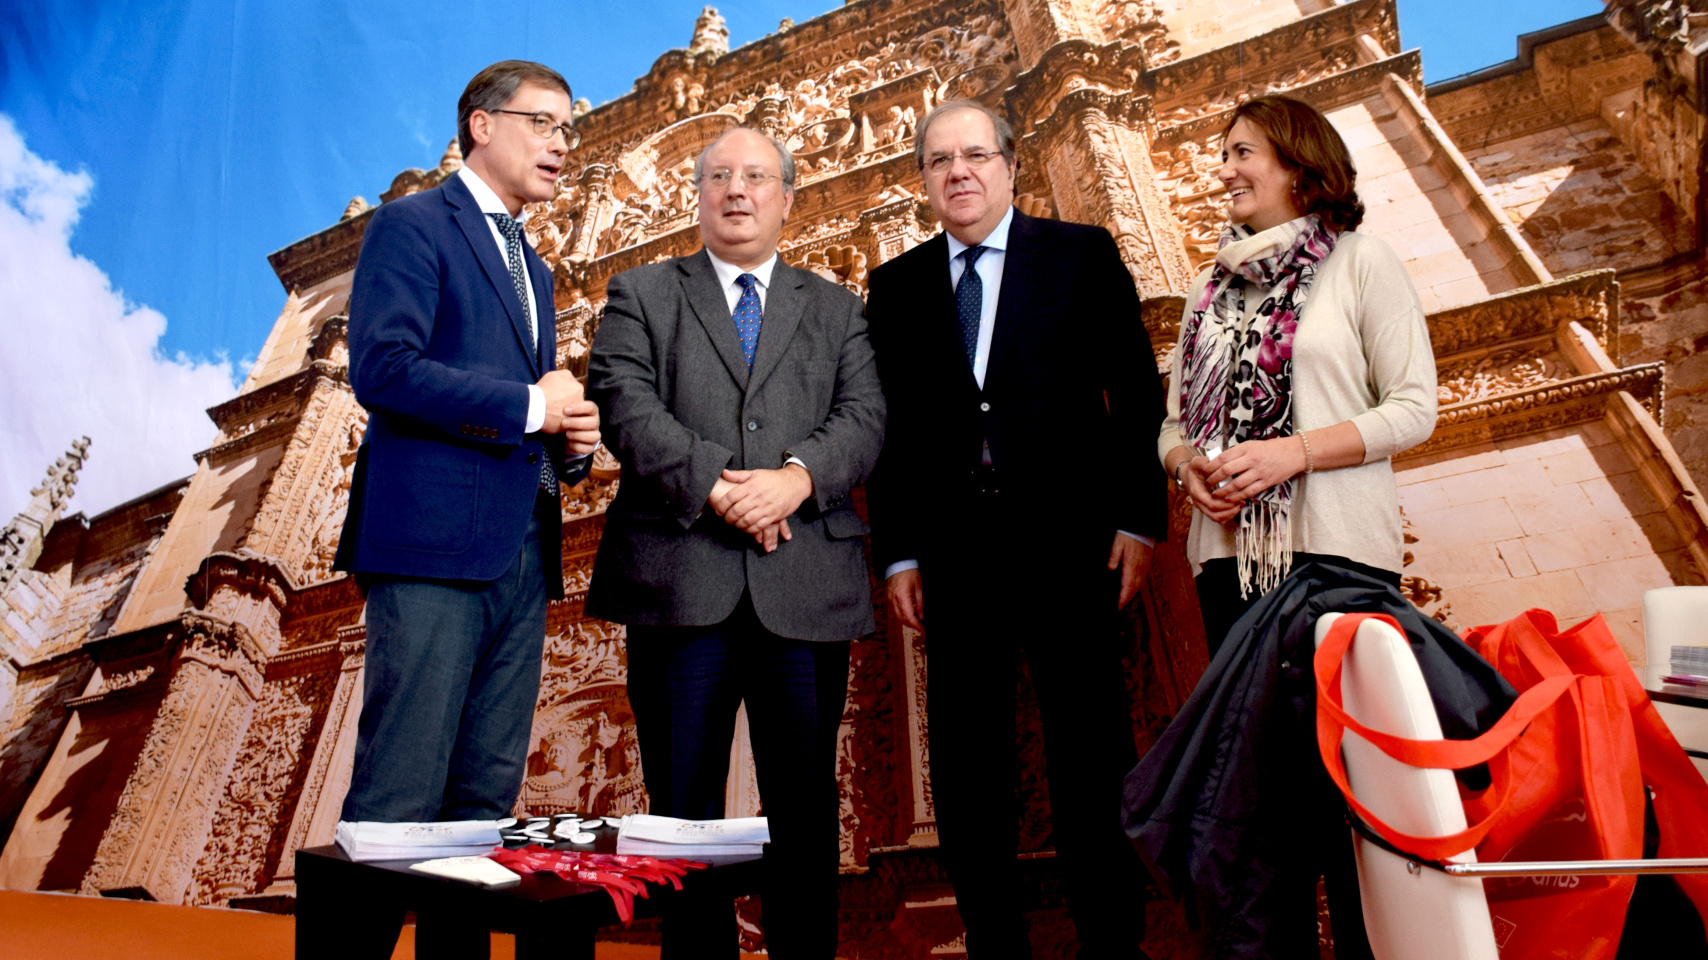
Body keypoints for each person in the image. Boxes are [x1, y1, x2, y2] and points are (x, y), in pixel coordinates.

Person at [863, 99, 1167, 960]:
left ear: (1009, 165)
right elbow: (891, 434)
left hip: (1076, 543)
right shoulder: (895, 288)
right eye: (938, 162)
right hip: (955, 555)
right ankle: (996, 944)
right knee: (967, 764)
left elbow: (1137, 393)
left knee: (1092, 747)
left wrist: (1141, 521)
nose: (958, 172)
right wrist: (901, 554)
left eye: (974, 155)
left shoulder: (1080, 255)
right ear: (924, 182)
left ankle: (1114, 941)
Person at [585, 126, 885, 960]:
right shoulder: (640, 293)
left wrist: (794, 480)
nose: (738, 190)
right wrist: (717, 483)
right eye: (720, 175)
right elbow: (622, 397)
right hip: (680, 583)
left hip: (803, 586)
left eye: (757, 176)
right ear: (699, 194)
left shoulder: (837, 308)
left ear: (787, 198)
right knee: (680, 810)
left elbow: (864, 418)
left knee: (804, 807)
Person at [1155, 93, 1438, 956]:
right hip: (1229, 568)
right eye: (1225, 152)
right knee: (1263, 807)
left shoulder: (1359, 262)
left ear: (1298, 164)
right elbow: (1171, 425)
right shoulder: (1209, 288)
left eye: (1244, 152)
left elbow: (1414, 409)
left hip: (1335, 565)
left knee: (1354, 799)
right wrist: (1187, 469)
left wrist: (1295, 452)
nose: (1227, 169)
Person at [333, 59, 599, 956]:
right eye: (546, 123)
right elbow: (385, 370)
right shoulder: (414, 225)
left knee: (480, 807)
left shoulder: (536, 270)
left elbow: (526, 402)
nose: (564, 143)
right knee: (401, 795)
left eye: (570, 128)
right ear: (483, 125)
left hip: (521, 551)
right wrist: (532, 406)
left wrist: (569, 446)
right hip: (434, 543)